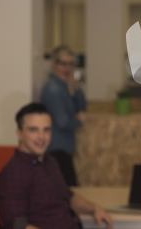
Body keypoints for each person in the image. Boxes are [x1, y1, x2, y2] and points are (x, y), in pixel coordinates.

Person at [0, 103, 112, 229]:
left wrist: (94, 208)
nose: (41, 137)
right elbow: (17, 225)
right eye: (33, 130)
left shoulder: (50, 161)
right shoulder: (12, 173)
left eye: (46, 130)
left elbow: (67, 196)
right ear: (19, 133)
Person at [40, 45, 86, 186]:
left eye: (71, 64)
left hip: (63, 148)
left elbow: (81, 109)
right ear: (54, 65)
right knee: (68, 192)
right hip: (56, 149)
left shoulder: (63, 86)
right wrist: (79, 121)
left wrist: (76, 88)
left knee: (69, 192)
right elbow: (63, 122)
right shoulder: (53, 89)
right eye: (63, 64)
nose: (68, 68)